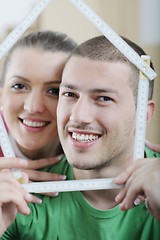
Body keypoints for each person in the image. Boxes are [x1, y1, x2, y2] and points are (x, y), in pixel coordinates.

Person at [1, 35, 160, 239]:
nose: (78, 115)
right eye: (69, 94)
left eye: (104, 98)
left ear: (144, 114)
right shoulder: (21, 200)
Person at [0, 31, 77, 189]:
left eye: (54, 91)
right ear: (1, 95)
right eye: (19, 86)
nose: (33, 107)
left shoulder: (96, 150)